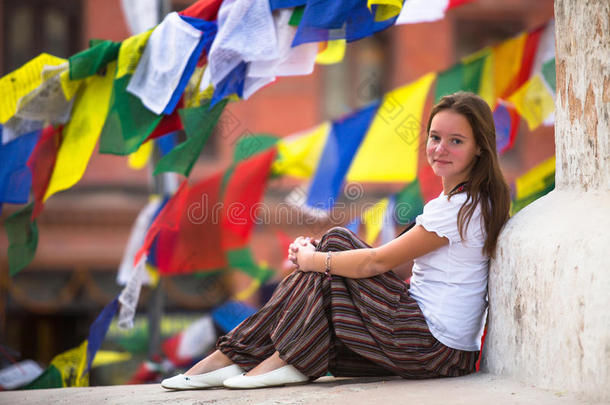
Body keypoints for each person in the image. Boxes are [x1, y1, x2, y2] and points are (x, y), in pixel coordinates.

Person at [161, 91, 511, 390]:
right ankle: (263, 359)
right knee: (329, 262)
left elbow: (378, 262)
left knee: (336, 240)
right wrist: (318, 266)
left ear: (480, 147)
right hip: (444, 352)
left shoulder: (460, 207)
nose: (441, 149)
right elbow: (399, 266)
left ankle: (241, 357)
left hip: (429, 347)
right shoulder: (470, 202)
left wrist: (314, 260)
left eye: (456, 141)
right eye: (435, 138)